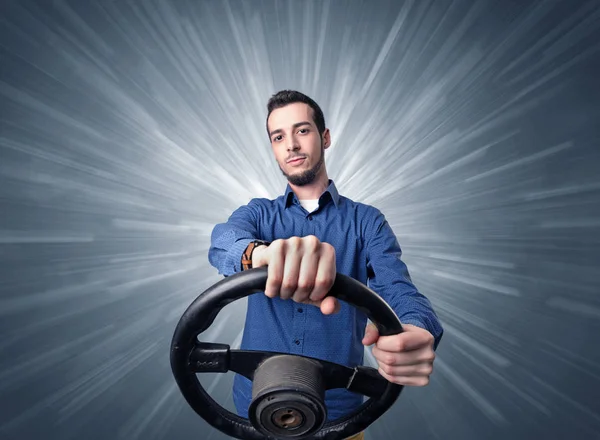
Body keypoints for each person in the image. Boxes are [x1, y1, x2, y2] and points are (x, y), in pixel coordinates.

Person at [208, 90, 444, 440]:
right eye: (278, 136)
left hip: (339, 419)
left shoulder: (367, 222)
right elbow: (223, 240)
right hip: (255, 412)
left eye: (302, 130)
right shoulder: (257, 213)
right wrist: (261, 255)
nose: (291, 144)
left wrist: (416, 328)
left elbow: (398, 290)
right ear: (273, 147)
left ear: (325, 136)